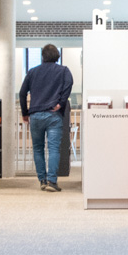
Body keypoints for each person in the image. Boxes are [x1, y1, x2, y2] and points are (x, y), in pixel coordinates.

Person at [19, 43, 75, 191]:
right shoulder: (63, 71)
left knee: (38, 149)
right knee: (54, 148)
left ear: (43, 56)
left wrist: (25, 112)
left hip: (36, 115)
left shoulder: (32, 72)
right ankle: (52, 181)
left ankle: (42, 180)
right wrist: (61, 103)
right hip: (53, 115)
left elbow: (22, 93)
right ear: (57, 56)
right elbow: (69, 85)